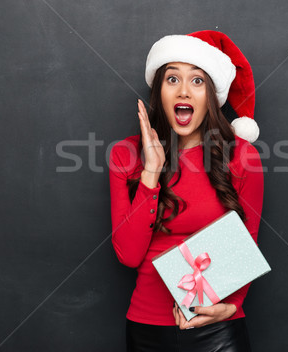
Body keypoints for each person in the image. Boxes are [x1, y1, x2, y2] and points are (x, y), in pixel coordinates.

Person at [108, 31, 264, 351]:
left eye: (196, 81)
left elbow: (247, 239)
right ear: (159, 92)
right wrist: (152, 171)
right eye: (172, 79)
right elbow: (129, 254)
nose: (184, 91)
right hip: (147, 329)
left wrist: (233, 305)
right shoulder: (125, 155)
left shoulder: (243, 157)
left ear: (211, 94)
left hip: (218, 328)